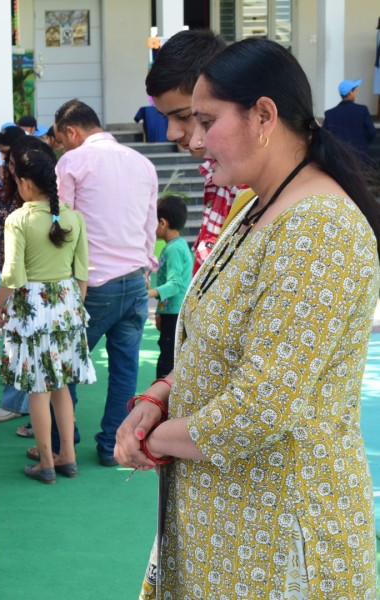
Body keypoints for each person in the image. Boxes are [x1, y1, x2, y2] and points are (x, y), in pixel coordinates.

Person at [116, 37, 380, 599]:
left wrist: (153, 438)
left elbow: (260, 406)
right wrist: (158, 396)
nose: (192, 139)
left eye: (205, 121)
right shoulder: (259, 205)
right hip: (228, 520)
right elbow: (216, 347)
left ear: (263, 116)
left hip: (279, 534)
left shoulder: (319, 226)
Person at [53, 99, 158, 467]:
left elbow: (62, 227)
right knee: (125, 370)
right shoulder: (142, 163)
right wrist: (145, 268)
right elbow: (150, 226)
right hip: (135, 280)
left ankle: (62, 442)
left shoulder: (73, 162)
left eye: (60, 139)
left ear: (71, 131)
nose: (60, 146)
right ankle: (113, 445)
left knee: (66, 366)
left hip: (92, 283)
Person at [0, 142, 94, 483]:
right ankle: (68, 457)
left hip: (32, 309)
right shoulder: (73, 216)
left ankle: (46, 462)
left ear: (24, 182)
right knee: (61, 385)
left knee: (38, 388)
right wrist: (74, 307)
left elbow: (13, 275)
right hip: (67, 304)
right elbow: (82, 272)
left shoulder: (18, 219)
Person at [145, 29, 251, 275]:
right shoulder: (218, 177)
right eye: (165, 118)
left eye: (184, 116)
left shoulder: (259, 188)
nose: (171, 133)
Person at [0, 130, 39, 425]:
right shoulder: (8, 189)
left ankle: (16, 403)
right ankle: (21, 403)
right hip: (7, 272)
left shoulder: (34, 198)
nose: (6, 164)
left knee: (18, 342)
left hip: (26, 278)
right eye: (6, 158)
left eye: (11, 159)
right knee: (14, 341)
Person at [147, 195, 192, 379]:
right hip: (170, 313)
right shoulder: (178, 245)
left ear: (162, 223)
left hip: (174, 315)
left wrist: (148, 293)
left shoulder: (174, 249)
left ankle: (162, 397)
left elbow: (175, 284)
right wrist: (160, 311)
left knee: (167, 364)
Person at [322, 78, 377, 165]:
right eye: (355, 91)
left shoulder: (330, 114)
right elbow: (372, 131)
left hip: (339, 159)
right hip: (361, 158)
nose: (356, 93)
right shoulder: (362, 110)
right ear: (350, 92)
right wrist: (363, 142)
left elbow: (324, 136)